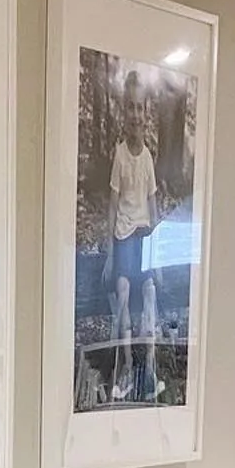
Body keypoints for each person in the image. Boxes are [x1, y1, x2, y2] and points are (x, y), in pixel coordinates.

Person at [102, 68, 161, 401]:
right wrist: (111, 253)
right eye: (130, 108)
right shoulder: (120, 155)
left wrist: (157, 254)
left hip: (143, 236)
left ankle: (149, 368)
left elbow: (152, 205)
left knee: (149, 294)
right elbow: (112, 205)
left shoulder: (148, 157)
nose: (135, 114)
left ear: (145, 113)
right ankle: (125, 365)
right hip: (124, 235)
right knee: (123, 292)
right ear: (124, 113)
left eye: (140, 108)